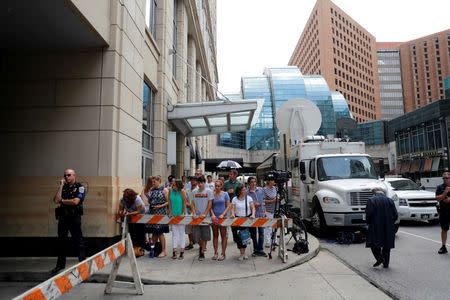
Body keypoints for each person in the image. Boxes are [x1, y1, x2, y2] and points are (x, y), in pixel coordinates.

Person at [51, 169, 87, 275]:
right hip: (63, 218)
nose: (66, 177)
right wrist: (61, 186)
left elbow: (76, 201)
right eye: (65, 175)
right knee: (61, 242)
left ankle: (83, 265)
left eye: (69, 175)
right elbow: (56, 200)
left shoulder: (80, 187)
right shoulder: (64, 187)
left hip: (74, 218)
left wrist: (63, 201)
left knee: (78, 241)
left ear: (74, 176)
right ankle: (60, 265)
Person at [365, 187, 398, 268]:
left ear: (374, 193)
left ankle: (379, 258)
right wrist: (391, 223)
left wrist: (368, 222)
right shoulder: (390, 200)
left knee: (373, 243)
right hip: (388, 225)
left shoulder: (371, 200)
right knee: (387, 245)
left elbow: (369, 214)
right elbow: (395, 215)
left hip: (375, 225)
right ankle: (386, 264)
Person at [144, 176, 169, 258]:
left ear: (159, 181)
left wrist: (159, 206)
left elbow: (168, 202)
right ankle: (152, 250)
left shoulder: (164, 190)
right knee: (154, 232)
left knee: (160, 232)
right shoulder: (152, 190)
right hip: (152, 212)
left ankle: (163, 251)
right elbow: (148, 200)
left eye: (154, 182)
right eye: (152, 182)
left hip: (160, 212)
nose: (153, 183)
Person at [230, 184, 255, 261]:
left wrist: (253, 214)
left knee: (245, 236)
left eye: (245, 189)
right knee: (238, 237)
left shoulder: (249, 198)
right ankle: (242, 253)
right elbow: (233, 208)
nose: (245, 191)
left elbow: (253, 207)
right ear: (239, 191)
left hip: (246, 219)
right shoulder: (234, 199)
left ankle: (243, 253)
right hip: (237, 219)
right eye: (243, 190)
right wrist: (233, 214)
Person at [191, 176, 213, 261]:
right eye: (198, 183)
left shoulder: (209, 191)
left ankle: (202, 252)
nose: (199, 184)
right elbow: (192, 203)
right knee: (196, 237)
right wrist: (193, 212)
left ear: (204, 183)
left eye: (201, 183)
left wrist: (205, 213)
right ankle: (202, 248)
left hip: (205, 217)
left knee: (205, 236)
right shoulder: (194, 191)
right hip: (196, 217)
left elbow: (210, 203)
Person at [117, 188, 146, 255]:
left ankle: (141, 248)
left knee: (140, 232)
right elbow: (120, 209)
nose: (125, 199)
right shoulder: (122, 200)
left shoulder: (137, 199)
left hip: (140, 215)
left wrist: (129, 213)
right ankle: (133, 247)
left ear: (131, 197)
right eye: (124, 197)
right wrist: (121, 213)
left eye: (127, 198)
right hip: (130, 215)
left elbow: (138, 211)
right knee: (132, 231)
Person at [210, 179, 231, 261]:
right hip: (214, 218)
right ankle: (215, 253)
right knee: (215, 236)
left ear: (221, 186)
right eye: (216, 186)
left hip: (223, 218)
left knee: (223, 236)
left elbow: (228, 206)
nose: (217, 187)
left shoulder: (225, 194)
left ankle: (223, 253)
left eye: (219, 186)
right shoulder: (212, 194)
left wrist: (223, 214)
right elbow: (210, 206)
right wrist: (212, 215)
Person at [247, 176, 267, 257]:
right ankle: (255, 249)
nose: (253, 183)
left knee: (261, 232)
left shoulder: (261, 190)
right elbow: (246, 203)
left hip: (261, 214)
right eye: (251, 182)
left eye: (254, 182)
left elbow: (264, 200)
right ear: (249, 183)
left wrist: (264, 209)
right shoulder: (247, 193)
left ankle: (260, 249)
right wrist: (252, 205)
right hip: (253, 215)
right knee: (254, 233)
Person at [168, 179, 187, 259]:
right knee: (174, 234)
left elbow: (184, 203)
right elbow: (169, 202)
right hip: (173, 215)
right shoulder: (170, 191)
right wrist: (170, 212)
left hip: (180, 214)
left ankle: (182, 251)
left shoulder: (182, 191)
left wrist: (183, 213)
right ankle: (174, 251)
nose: (173, 185)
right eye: (173, 184)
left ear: (178, 185)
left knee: (182, 233)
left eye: (175, 184)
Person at [436, 171, 450, 254]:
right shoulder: (439, 187)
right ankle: (443, 246)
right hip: (444, 211)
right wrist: (445, 193)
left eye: (447, 178)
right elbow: (437, 198)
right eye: (444, 178)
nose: (445, 179)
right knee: (444, 229)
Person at [263, 173, 278, 247]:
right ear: (268, 181)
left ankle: (274, 240)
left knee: (275, 226)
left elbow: (278, 197)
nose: (273, 181)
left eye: (273, 180)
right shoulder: (264, 190)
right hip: (268, 210)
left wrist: (278, 199)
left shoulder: (276, 188)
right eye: (271, 180)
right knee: (268, 226)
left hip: (276, 209)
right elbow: (263, 200)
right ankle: (268, 242)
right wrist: (272, 201)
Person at [184, 176, 198, 250]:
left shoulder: (198, 190)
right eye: (191, 180)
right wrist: (189, 205)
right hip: (188, 211)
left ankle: (199, 243)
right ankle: (191, 243)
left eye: (194, 180)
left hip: (196, 211)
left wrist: (193, 207)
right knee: (188, 228)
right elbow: (185, 200)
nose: (192, 181)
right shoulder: (187, 190)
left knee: (197, 228)